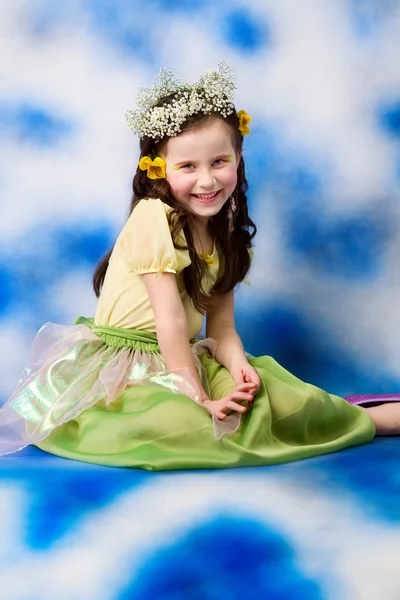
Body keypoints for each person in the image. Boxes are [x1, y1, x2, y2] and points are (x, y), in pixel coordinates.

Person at [1, 63, 399, 470]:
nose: (207, 181)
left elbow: (222, 331)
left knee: (268, 400)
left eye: (219, 162)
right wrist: (199, 397)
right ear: (158, 168)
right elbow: (170, 321)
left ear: (238, 158)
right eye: (187, 167)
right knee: (179, 424)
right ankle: (202, 410)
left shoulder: (225, 239)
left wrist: (238, 366)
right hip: (128, 368)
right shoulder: (153, 217)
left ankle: (365, 416)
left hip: (184, 358)